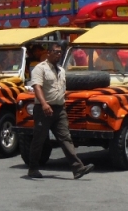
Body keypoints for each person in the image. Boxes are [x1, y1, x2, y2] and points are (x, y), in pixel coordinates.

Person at [28, 42, 95, 180]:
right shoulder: (40, 69)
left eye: (60, 52)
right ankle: (33, 168)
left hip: (59, 109)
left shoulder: (61, 70)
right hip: (43, 109)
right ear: (49, 53)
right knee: (39, 139)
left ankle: (78, 168)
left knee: (66, 138)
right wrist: (44, 104)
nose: (58, 54)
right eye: (56, 52)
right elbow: (37, 87)